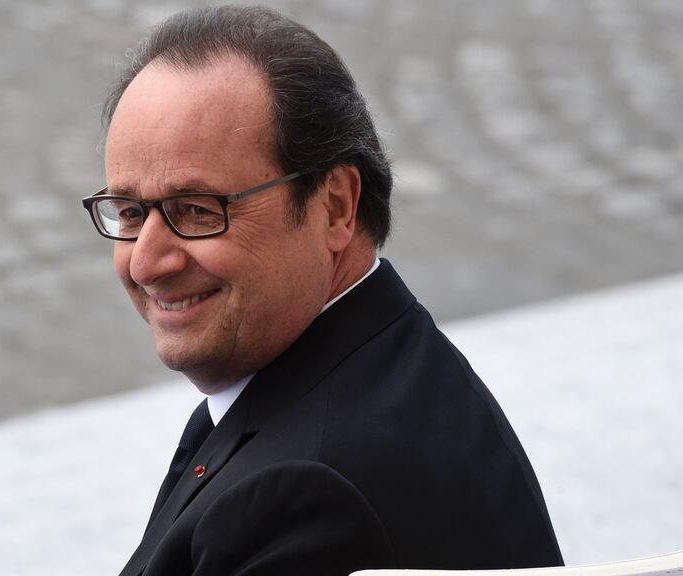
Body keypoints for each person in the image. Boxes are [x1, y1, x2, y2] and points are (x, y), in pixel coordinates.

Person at [81, 6, 563, 576]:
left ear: (335, 207)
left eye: (197, 210)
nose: (145, 262)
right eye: (130, 212)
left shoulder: (301, 493)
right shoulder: (383, 369)